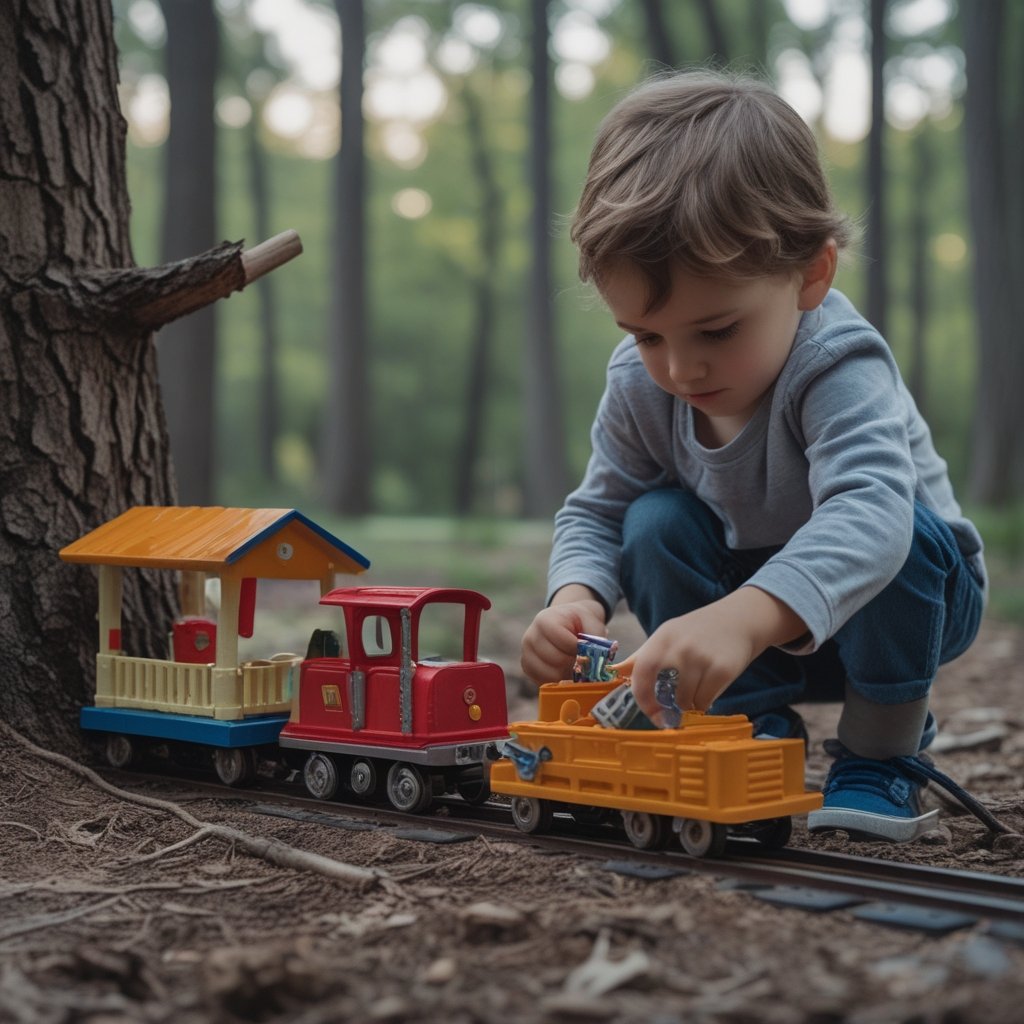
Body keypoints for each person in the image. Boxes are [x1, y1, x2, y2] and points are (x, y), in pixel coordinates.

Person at [520, 69, 988, 843]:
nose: (680, 369)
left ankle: (881, 756)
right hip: (745, 629)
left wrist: (743, 619)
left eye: (717, 330)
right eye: (646, 335)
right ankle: (746, 725)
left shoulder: (837, 364)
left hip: (906, 605)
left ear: (811, 275)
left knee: (902, 529)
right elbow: (598, 511)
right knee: (653, 520)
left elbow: (872, 516)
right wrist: (574, 597)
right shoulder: (641, 383)